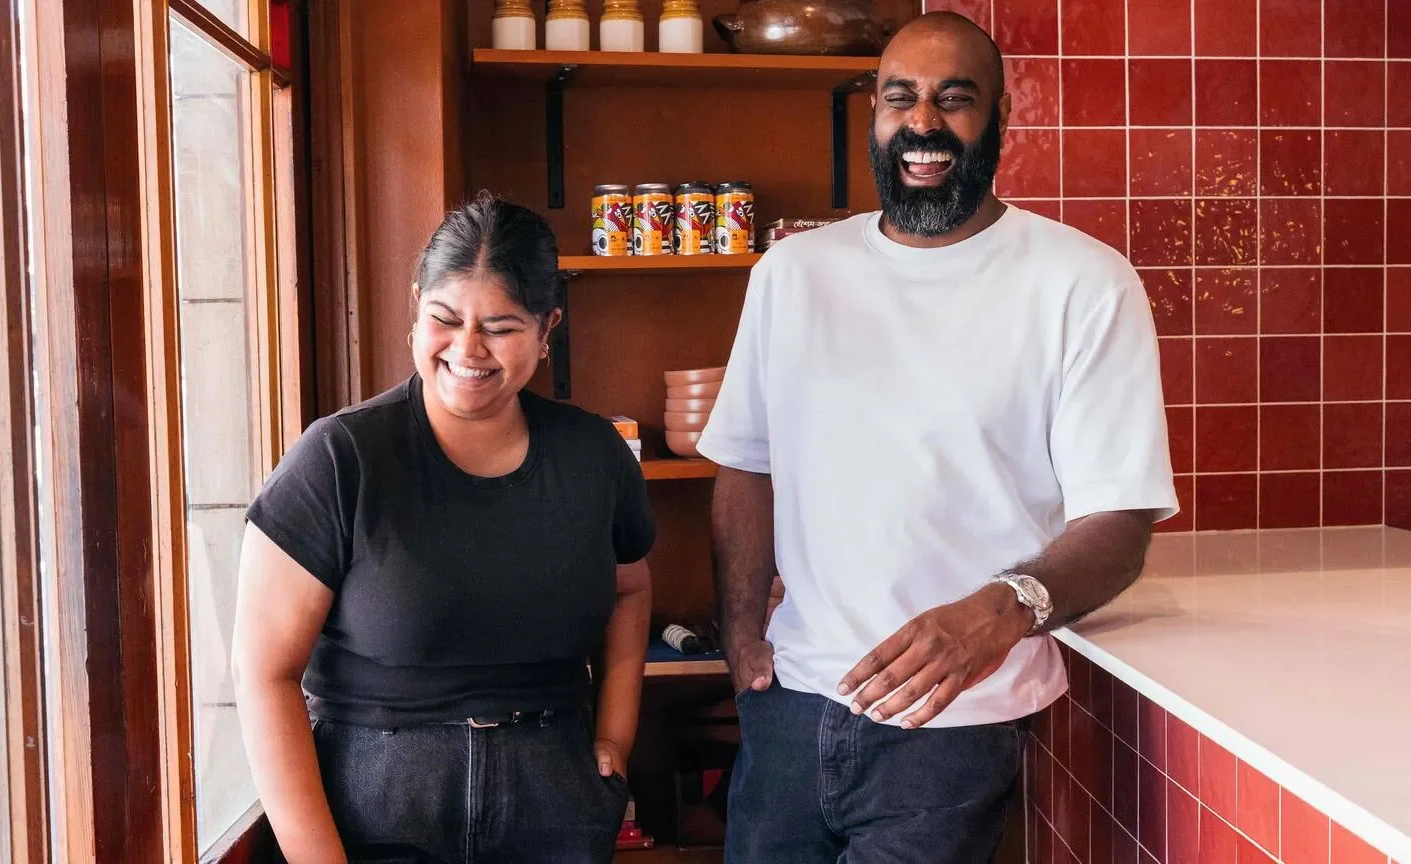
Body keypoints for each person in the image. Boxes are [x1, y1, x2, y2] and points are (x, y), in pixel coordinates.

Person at [696, 12, 1178, 864]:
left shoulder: (1082, 282)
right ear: (876, 116)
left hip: (956, 722)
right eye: (900, 99)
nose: (923, 123)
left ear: (999, 119)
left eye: (955, 100)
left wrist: (1001, 610)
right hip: (792, 710)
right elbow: (745, 464)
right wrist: (742, 645)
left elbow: (1119, 525)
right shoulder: (793, 275)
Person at [233, 193, 656, 864]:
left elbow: (630, 591)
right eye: (445, 318)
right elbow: (263, 672)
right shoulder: (342, 457)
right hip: (373, 802)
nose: (468, 349)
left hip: (554, 799)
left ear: (548, 329)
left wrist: (615, 734)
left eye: (501, 326)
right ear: (415, 307)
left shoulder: (593, 454)